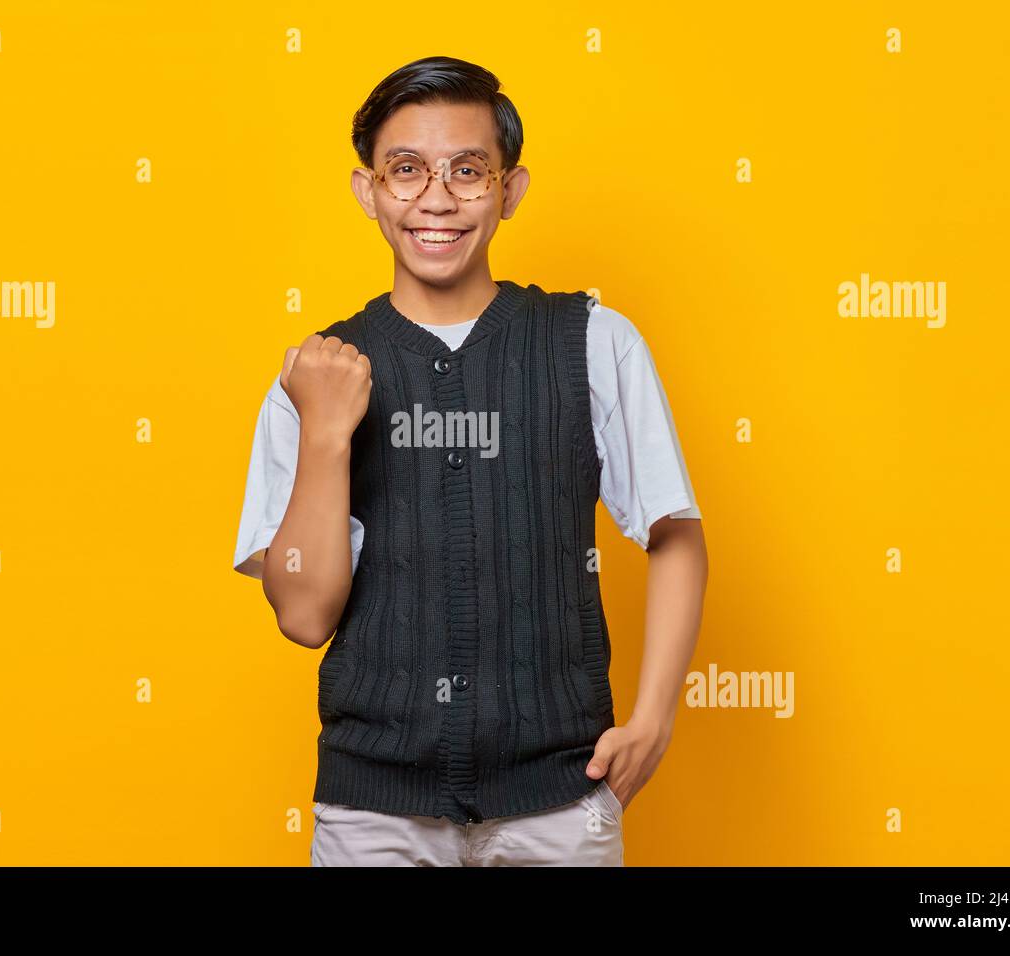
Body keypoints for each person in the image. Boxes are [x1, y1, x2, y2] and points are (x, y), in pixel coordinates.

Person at [233, 55, 708, 866]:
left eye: (467, 170)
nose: (437, 198)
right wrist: (324, 435)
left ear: (510, 190)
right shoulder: (316, 374)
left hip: (560, 796)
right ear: (368, 191)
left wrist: (655, 717)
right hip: (370, 809)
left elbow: (676, 532)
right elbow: (304, 617)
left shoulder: (594, 341)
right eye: (406, 170)